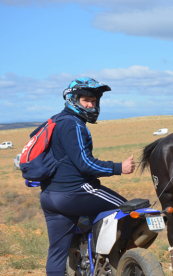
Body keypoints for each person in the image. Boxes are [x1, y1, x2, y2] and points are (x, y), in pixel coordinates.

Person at [35, 78, 135, 276]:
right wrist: (119, 167)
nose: (90, 105)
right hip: (75, 192)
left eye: (93, 101)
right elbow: (85, 164)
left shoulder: (55, 121)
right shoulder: (74, 125)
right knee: (129, 211)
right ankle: (115, 263)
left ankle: (85, 254)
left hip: (49, 195)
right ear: (73, 99)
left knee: (56, 253)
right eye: (85, 100)